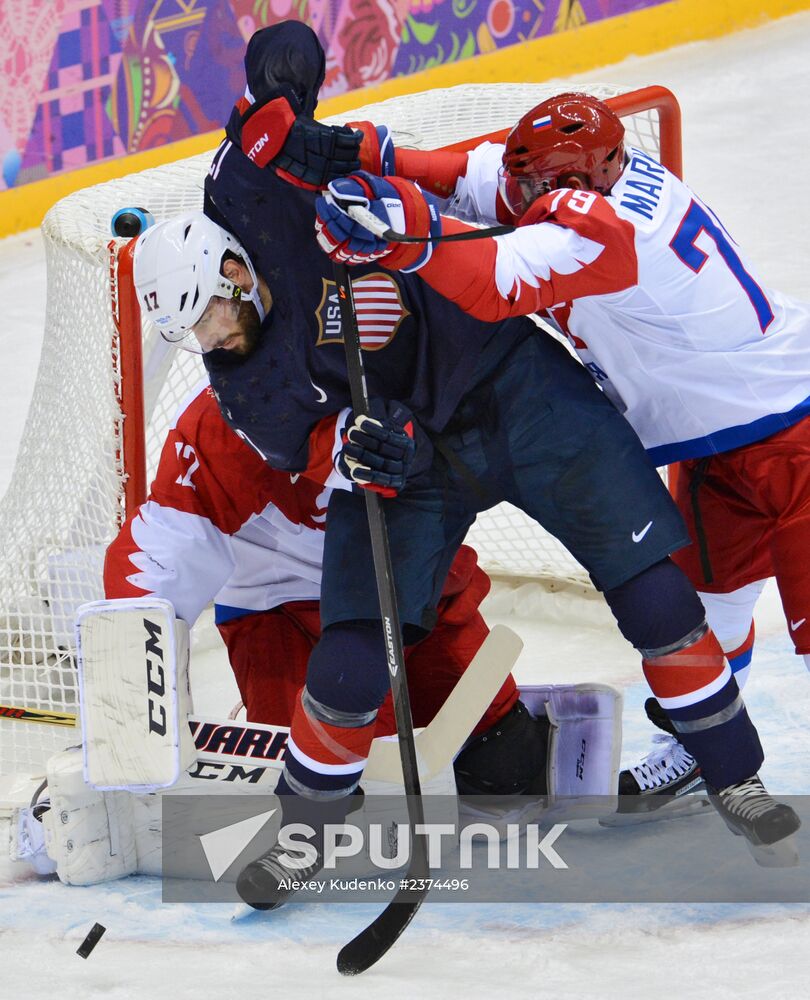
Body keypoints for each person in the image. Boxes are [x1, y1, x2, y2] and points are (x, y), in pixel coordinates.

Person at [131, 24, 788, 909]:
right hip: (410, 455)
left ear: (233, 271)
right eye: (194, 336)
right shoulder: (242, 378)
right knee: (352, 658)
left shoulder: (247, 193)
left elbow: (274, 99)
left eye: (211, 317)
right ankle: (301, 835)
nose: (212, 342)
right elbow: (303, 446)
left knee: (655, 593)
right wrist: (355, 445)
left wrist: (284, 86)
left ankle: (736, 777)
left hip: (514, 386)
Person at [314, 88, 810, 847]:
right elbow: (479, 178)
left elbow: (494, 281)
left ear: (577, 180)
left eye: (534, 185)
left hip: (795, 436)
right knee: (714, 611)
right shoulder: (592, 180)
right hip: (716, 443)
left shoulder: (614, 231)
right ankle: (697, 755)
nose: (516, 194)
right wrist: (374, 154)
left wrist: (410, 234)